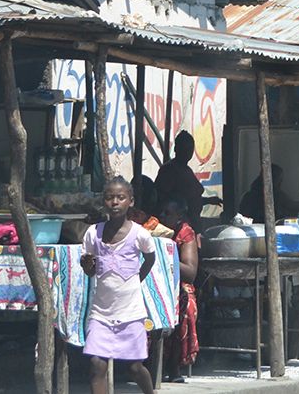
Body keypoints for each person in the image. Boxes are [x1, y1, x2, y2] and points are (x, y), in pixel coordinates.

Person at [80, 176, 157, 394]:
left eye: (121, 198)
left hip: (131, 313)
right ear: (103, 202)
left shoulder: (140, 234)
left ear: (130, 201)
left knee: (134, 368)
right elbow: (91, 270)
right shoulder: (93, 233)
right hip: (101, 314)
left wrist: (137, 279)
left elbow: (150, 259)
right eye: (110, 198)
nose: (115, 202)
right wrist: (87, 265)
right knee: (97, 365)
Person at [159, 199, 198, 383]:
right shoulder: (152, 229)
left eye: (167, 213)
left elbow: (190, 273)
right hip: (154, 280)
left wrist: (165, 254)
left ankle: (174, 366)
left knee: (184, 301)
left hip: (177, 283)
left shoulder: (185, 232)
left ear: (179, 216)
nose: (162, 216)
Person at [155, 131, 221, 225]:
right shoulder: (169, 170)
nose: (188, 152)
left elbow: (193, 199)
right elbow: (164, 198)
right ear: (176, 149)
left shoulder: (186, 169)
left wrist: (209, 200)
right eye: (184, 148)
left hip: (193, 220)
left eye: (190, 148)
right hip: (180, 223)